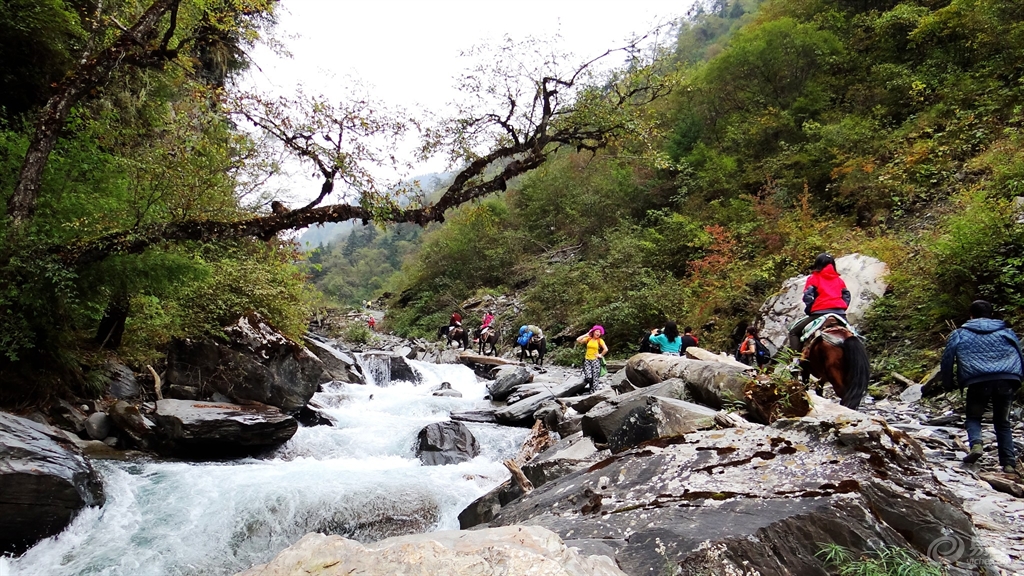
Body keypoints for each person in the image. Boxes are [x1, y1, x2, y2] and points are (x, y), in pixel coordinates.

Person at [925, 300, 1023, 473]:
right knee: (1002, 422)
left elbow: (947, 360)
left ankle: (976, 445)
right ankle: (1008, 463)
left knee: (973, 417)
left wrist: (948, 384)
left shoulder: (960, 333)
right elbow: (1019, 355)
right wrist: (1017, 380)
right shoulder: (1007, 331)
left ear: (970, 315)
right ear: (991, 314)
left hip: (978, 380)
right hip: (1006, 379)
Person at [787, 253, 851, 351]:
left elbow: (808, 297)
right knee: (854, 335)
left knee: (794, 332)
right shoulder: (839, 280)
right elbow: (846, 295)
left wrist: (811, 309)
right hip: (840, 314)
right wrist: (841, 307)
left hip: (820, 313)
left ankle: (796, 360)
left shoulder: (814, 278)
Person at [577, 325, 609, 391]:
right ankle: (591, 388)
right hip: (587, 360)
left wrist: (600, 355)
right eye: (597, 331)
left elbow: (606, 349)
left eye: (599, 332)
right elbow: (578, 340)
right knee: (588, 376)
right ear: (593, 332)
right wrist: (586, 334)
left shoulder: (600, 340)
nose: (598, 333)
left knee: (595, 377)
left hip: (595, 360)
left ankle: (593, 391)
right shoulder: (588, 339)